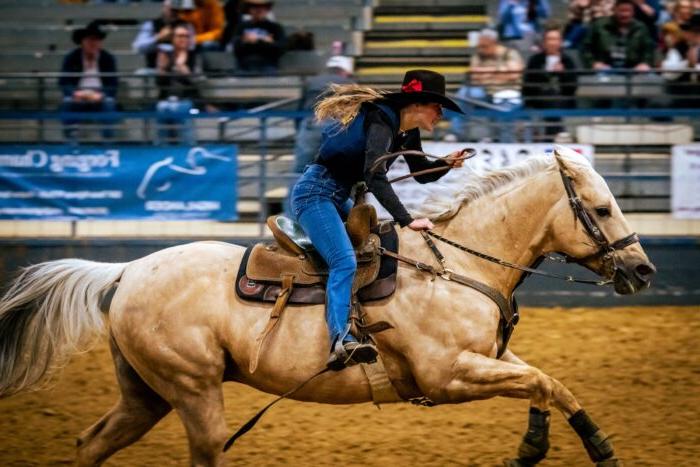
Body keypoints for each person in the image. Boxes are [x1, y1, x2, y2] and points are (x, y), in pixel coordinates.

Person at [290, 70, 469, 368]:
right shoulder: (382, 120)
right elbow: (375, 174)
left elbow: (421, 173)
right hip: (316, 194)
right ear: (418, 104)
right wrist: (406, 219)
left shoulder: (405, 130)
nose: (441, 113)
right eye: (438, 106)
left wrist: (446, 164)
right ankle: (341, 339)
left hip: (335, 195)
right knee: (344, 261)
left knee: (377, 245)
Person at [59, 20, 118, 141]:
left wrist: (101, 95)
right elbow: (64, 82)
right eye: (90, 40)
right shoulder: (71, 57)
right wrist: (75, 93)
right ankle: (71, 140)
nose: (93, 43)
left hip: (100, 96)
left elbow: (113, 84)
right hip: (78, 96)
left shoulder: (108, 58)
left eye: (96, 40)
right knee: (67, 102)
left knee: (109, 103)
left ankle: (108, 141)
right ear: (82, 42)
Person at [522, 25, 578, 139]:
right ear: (544, 42)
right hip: (538, 98)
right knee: (549, 96)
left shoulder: (567, 61)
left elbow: (572, 87)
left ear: (560, 42)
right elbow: (528, 84)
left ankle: (550, 136)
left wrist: (563, 73)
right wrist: (544, 72)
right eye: (549, 39)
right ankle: (555, 134)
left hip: (563, 100)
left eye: (555, 39)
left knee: (553, 98)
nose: (552, 43)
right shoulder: (535, 60)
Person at [155, 20, 203, 145]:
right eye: (180, 36)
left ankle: (186, 148)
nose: (183, 39)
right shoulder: (165, 55)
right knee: (163, 107)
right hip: (166, 99)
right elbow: (159, 82)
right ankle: (162, 149)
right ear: (173, 39)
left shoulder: (194, 56)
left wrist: (185, 71)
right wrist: (163, 69)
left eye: (186, 36)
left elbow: (198, 81)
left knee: (180, 108)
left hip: (187, 99)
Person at [581, 0, 655, 71]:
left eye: (627, 11)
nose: (624, 14)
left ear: (633, 12)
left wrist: (645, 63)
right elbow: (586, 48)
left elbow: (648, 50)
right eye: (621, 11)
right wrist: (593, 63)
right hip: (605, 69)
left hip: (633, 70)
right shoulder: (599, 25)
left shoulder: (641, 28)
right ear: (614, 10)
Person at [232, 0, 286, 73]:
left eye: (263, 7)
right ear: (249, 9)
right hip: (245, 65)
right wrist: (246, 42)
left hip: (268, 65)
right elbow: (236, 48)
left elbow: (281, 48)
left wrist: (260, 42)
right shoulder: (241, 27)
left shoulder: (275, 27)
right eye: (255, 7)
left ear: (267, 9)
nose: (259, 10)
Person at [131, 0, 182, 69]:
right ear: (163, 8)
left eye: (175, 9)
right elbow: (138, 47)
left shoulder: (184, 26)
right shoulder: (151, 24)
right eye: (169, 8)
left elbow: (192, 46)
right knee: (141, 73)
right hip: (153, 68)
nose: (173, 11)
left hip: (177, 68)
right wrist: (158, 37)